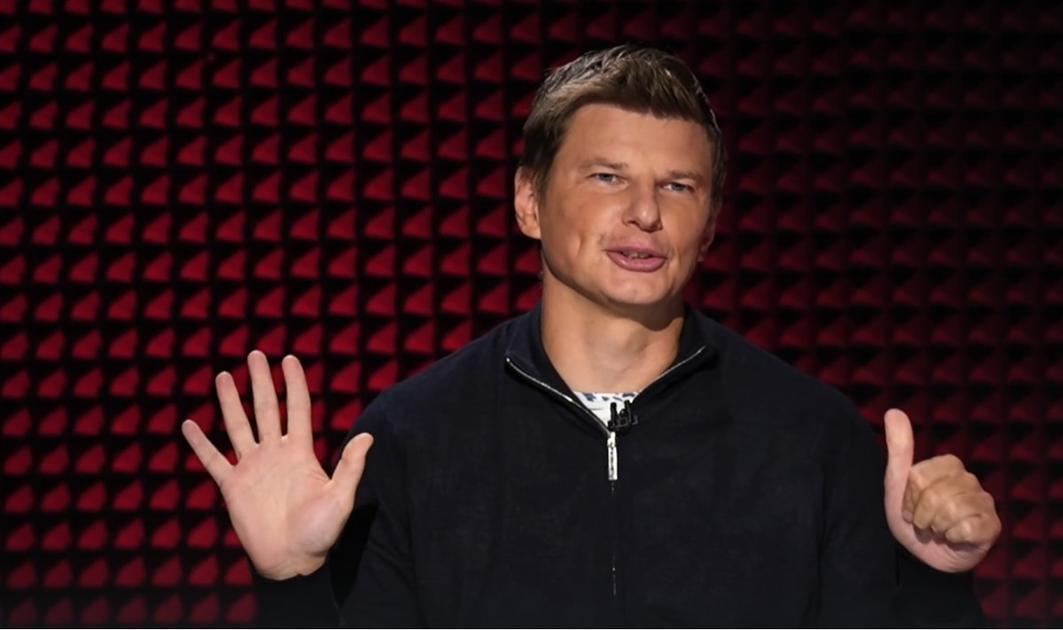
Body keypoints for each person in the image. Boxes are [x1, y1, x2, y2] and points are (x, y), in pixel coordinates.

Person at [181, 44, 1001, 626]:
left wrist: (937, 583)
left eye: (678, 186)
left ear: (710, 225)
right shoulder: (410, 437)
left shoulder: (814, 438)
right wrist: (292, 586)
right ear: (529, 202)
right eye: (608, 177)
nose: (644, 212)